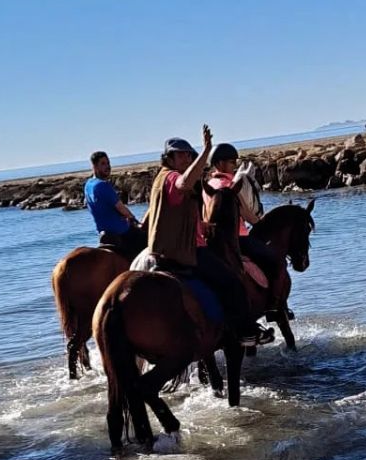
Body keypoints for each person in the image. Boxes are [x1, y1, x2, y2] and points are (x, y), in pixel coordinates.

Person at [146, 126, 273, 347]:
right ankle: (246, 333)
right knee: (232, 282)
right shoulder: (172, 178)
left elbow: (175, 214)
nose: (187, 159)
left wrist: (202, 225)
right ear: (169, 158)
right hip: (186, 251)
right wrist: (205, 150)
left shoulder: (159, 180)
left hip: (165, 249)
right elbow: (184, 183)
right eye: (181, 155)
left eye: (189, 155)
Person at [205, 143, 284, 311]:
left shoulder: (208, 185)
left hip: (214, 240)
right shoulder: (229, 186)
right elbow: (246, 214)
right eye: (232, 162)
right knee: (275, 261)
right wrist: (262, 224)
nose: (235, 165)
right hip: (239, 238)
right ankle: (275, 305)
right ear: (219, 163)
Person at [85, 151, 147, 257]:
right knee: (149, 244)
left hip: (103, 233)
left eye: (108, 163)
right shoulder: (103, 185)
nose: (107, 166)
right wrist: (134, 219)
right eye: (103, 164)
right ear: (94, 167)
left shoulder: (88, 185)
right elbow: (120, 207)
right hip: (121, 231)